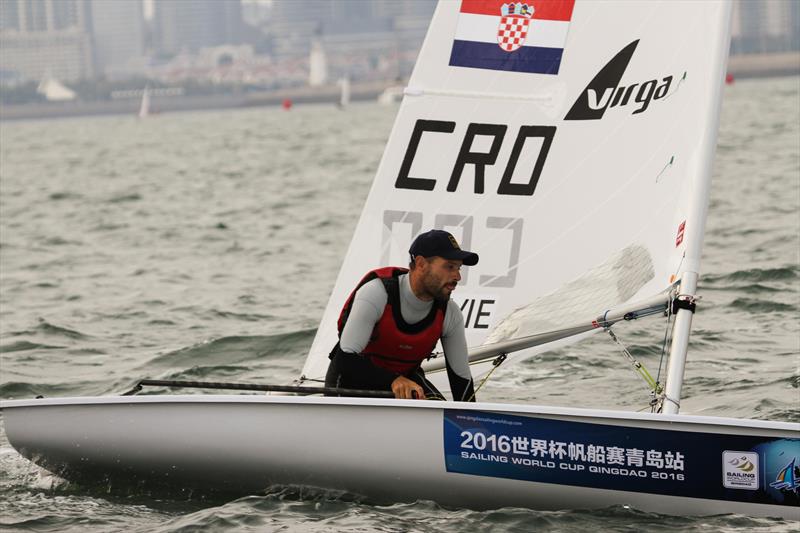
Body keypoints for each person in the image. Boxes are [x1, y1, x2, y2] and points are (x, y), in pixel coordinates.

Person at [325, 229, 477, 401]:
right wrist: (393, 380)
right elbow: (345, 359)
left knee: (442, 410)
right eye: (449, 267)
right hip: (350, 383)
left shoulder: (450, 313)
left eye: (459, 268)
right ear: (420, 264)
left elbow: (461, 381)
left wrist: (472, 424)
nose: (457, 276)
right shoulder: (377, 293)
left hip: (405, 382)